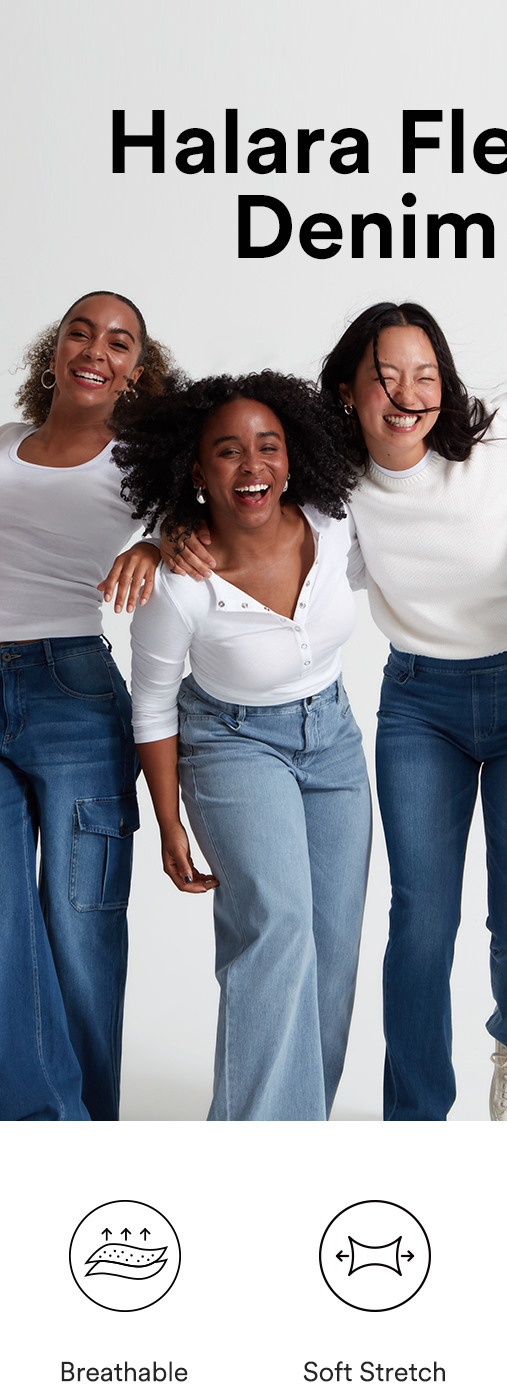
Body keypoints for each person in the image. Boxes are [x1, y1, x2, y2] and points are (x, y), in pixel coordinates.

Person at [317, 302, 507, 1121]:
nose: (409, 394)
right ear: (348, 390)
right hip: (420, 706)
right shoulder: (337, 486)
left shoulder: (498, 430)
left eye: (425, 374)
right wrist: (169, 539)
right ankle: (416, 1118)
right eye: (387, 376)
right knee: (421, 922)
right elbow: (264, 533)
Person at [117, 372, 371, 1121]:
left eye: (269, 446)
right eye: (228, 451)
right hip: (232, 743)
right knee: (276, 928)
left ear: (293, 458)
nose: (252, 465)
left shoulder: (333, 522)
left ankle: (301, 1126)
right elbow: (151, 703)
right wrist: (169, 819)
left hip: (333, 738)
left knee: (332, 941)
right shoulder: (179, 583)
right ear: (198, 473)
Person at [0, 289, 171, 1121]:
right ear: (55, 350)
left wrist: (155, 544)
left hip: (73, 691)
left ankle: (91, 1135)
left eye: (119, 341)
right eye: (81, 331)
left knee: (81, 927)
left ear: (136, 371)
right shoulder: (4, 442)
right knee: (5, 928)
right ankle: (40, 1127)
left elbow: (218, 516)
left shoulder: (144, 461)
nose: (95, 349)